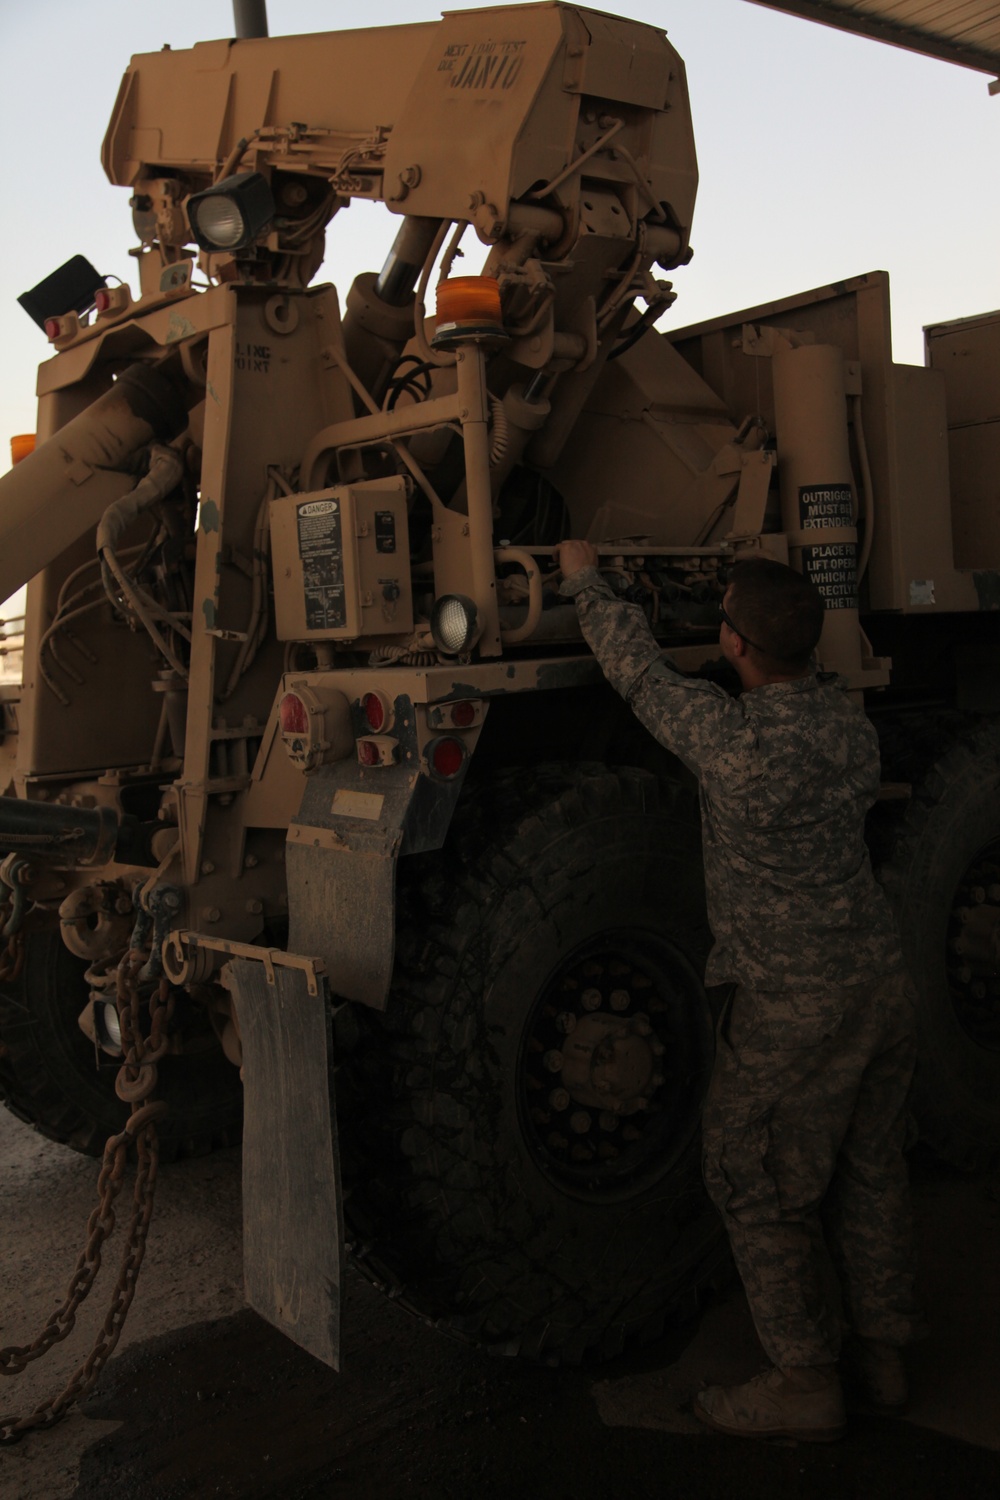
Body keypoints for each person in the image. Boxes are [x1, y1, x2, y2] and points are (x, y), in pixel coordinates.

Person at [554, 541, 921, 1442]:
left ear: (736, 647)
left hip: (797, 1004)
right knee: (869, 1169)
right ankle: (884, 1359)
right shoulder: (850, 729)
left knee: (751, 1174)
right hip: (879, 981)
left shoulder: (733, 741)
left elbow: (639, 677)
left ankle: (804, 1380)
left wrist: (583, 582)